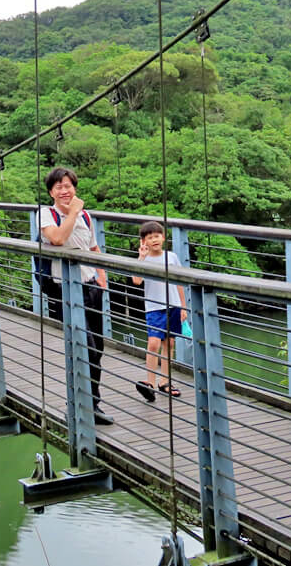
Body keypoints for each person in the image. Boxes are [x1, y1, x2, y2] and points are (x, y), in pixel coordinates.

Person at [38, 167, 113, 426]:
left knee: (98, 349)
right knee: (84, 349)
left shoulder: (87, 217)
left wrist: (102, 275)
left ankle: (93, 405)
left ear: (75, 188)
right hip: (66, 291)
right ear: (51, 192)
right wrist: (72, 213)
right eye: (59, 187)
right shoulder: (45, 214)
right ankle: (75, 406)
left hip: (91, 287)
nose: (64, 191)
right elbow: (58, 239)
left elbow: (93, 247)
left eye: (68, 186)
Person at [131, 221, 187, 402]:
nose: (154, 240)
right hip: (154, 307)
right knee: (153, 343)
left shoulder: (171, 257)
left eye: (156, 236)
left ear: (163, 237)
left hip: (173, 305)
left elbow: (179, 282)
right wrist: (141, 257)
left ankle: (165, 381)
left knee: (169, 344)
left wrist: (183, 306)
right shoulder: (144, 258)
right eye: (149, 237)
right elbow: (136, 281)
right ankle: (150, 383)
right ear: (143, 241)